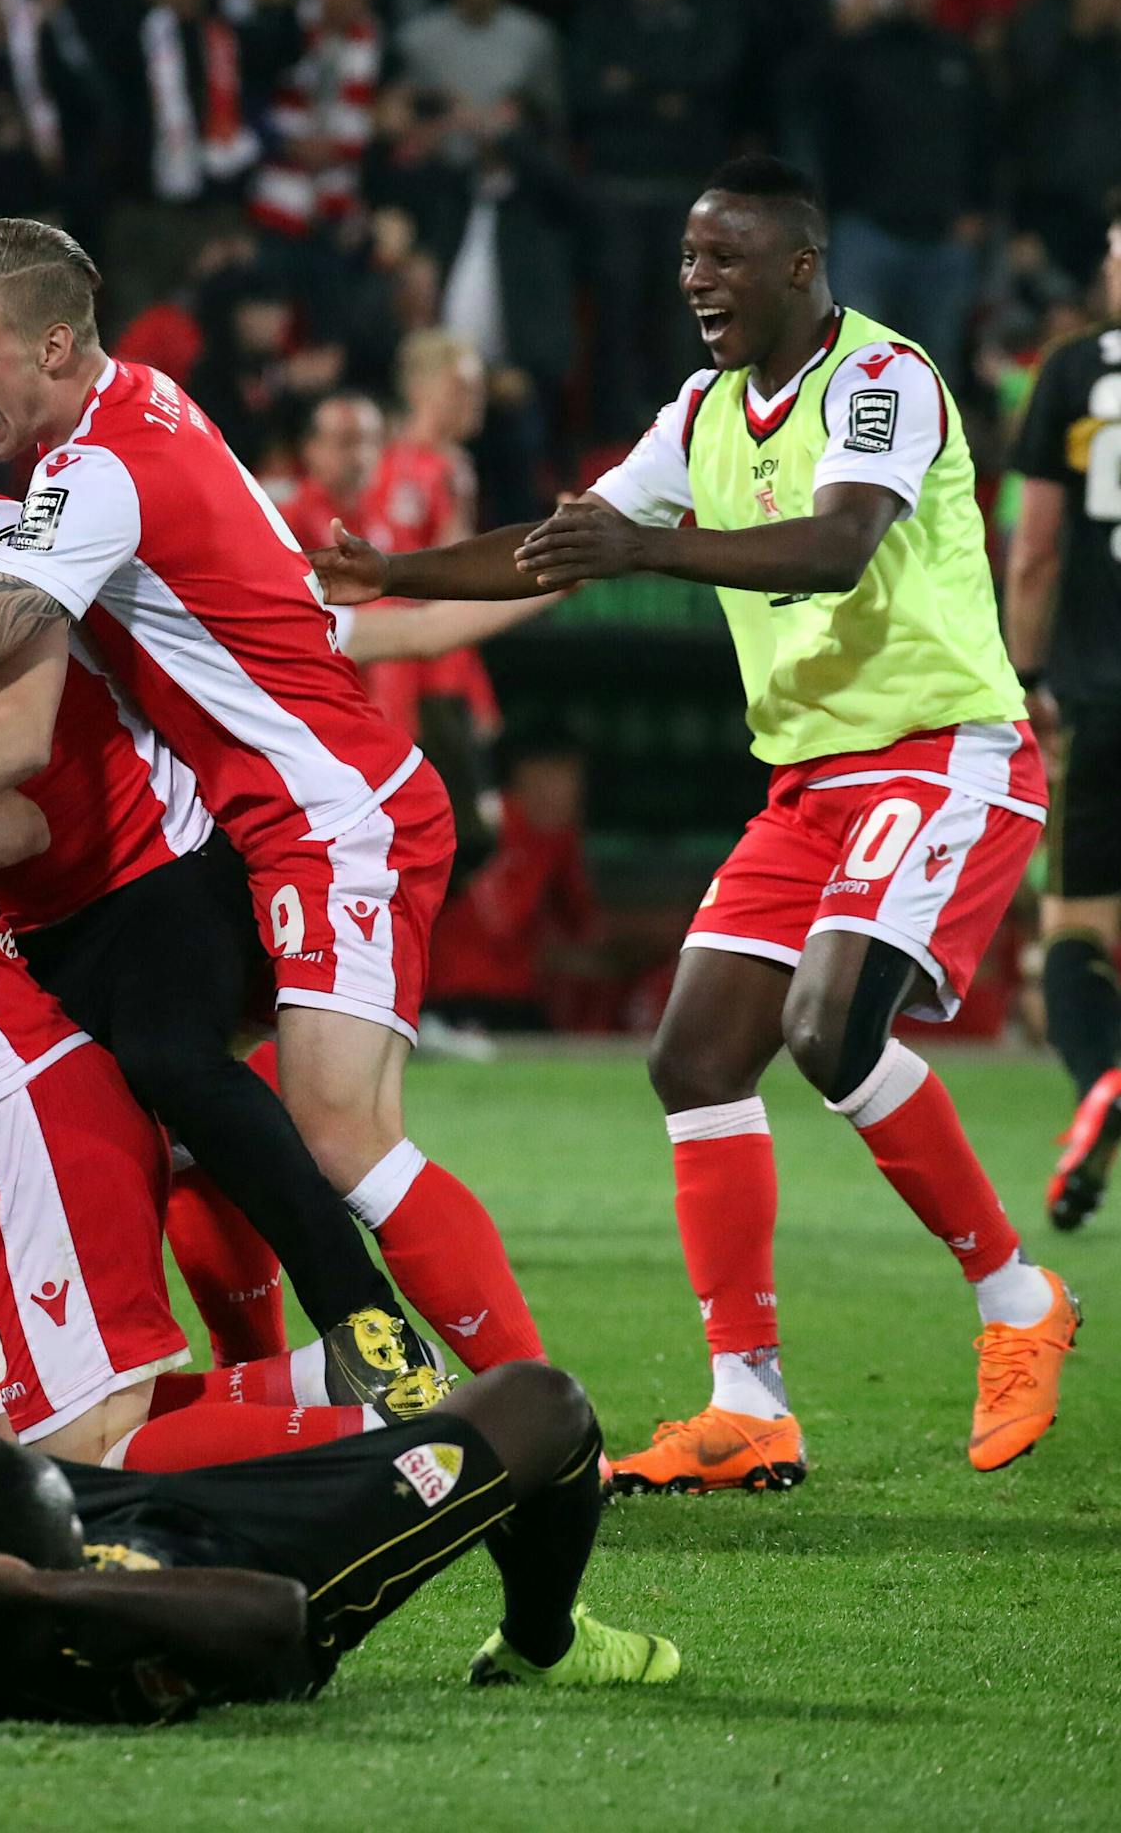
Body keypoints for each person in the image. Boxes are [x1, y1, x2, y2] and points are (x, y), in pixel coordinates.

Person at [0, 221, 549, 1388]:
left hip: (320, 813)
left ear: (55, 344)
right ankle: (278, 1380)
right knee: (169, 1119)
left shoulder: (88, 476)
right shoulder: (133, 410)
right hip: (243, 825)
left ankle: (517, 1409)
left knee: (334, 1131)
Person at [313, 157, 1079, 1486]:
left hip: (939, 755)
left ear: (801, 264)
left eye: (723, 260)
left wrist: (648, 548)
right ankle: (749, 1405)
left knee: (830, 1027)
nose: (695, 283)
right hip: (809, 785)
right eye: (686, 262)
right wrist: (401, 574)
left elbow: (838, 545)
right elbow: (565, 539)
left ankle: (1019, 1303)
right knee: (694, 1059)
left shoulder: (884, 380)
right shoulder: (702, 412)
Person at [0, 340, 430, 1405]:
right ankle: (209, 1378)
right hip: (29, 918)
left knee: (168, 1060)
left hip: (156, 862)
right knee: (106, 1133)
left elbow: (17, 785)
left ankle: (365, 1322)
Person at [0, 1360, 680, 1722]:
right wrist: (46, 1590)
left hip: (52, 1503)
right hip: (258, 1549)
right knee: (543, 1406)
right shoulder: (97, 1635)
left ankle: (2, 1480)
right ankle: (541, 1640)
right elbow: (275, 1621)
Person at [1004, 191, 1121, 1229]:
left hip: (1096, 693)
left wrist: (1021, 674)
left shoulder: (1076, 370)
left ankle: (1101, 1079)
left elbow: (1034, 546)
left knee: (1075, 925)